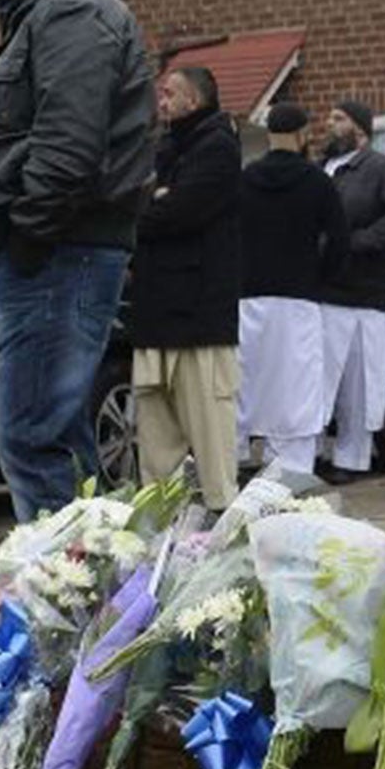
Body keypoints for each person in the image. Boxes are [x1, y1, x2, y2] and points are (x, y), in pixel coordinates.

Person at [0, 0, 155, 522]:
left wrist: (26, 238)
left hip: (55, 259)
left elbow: (68, 147)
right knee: (56, 438)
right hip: (52, 256)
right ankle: (92, 607)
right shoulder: (49, 16)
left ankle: (62, 613)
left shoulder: (72, 16)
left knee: (32, 436)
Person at [130, 66, 242, 512]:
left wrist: (151, 205)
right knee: (155, 453)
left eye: (169, 93)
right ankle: (158, 534)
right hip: (155, 318)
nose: (161, 102)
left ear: (193, 101)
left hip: (200, 321)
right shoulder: (161, 149)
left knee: (213, 448)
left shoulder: (217, 146)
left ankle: (225, 528)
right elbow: (139, 206)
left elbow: (180, 211)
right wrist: (149, 203)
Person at [236, 103, 349, 484]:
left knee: (248, 381)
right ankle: (291, 473)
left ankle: (235, 460)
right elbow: (339, 239)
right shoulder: (317, 181)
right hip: (299, 296)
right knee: (297, 388)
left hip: (249, 296)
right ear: (303, 135)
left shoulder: (246, 178)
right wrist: (322, 278)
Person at [315, 100, 385, 484]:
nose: (329, 123)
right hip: (320, 290)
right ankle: (311, 454)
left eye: (338, 118)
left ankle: (352, 457)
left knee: (359, 381)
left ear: (360, 128)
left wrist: (362, 242)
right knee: (318, 379)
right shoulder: (320, 169)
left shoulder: (380, 169)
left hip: (362, 291)